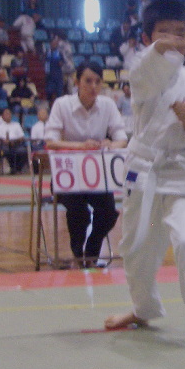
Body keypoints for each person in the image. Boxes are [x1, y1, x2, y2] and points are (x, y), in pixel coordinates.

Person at [103, 0, 185, 350]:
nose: (174, 38)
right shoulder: (143, 70)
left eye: (181, 33)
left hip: (179, 172)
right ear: (146, 38)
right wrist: (159, 50)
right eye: (164, 32)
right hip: (142, 170)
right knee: (136, 247)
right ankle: (143, 309)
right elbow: (143, 75)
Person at [45, 62, 128, 267]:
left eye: (97, 82)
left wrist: (109, 143)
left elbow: (122, 139)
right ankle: (77, 253)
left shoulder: (107, 105)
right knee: (79, 212)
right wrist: (82, 146)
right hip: (67, 178)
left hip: (97, 178)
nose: (93, 86)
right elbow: (51, 141)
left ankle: (90, 253)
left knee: (109, 213)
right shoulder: (62, 105)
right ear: (76, 83)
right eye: (88, 81)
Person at [0, 107, 28, 174]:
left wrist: (14, 141)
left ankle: (17, 169)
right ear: (2, 116)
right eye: (6, 114)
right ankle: (10, 168)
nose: (8, 115)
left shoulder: (16, 125)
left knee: (23, 151)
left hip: (15, 143)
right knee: (5, 151)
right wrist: (6, 141)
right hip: (3, 145)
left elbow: (21, 136)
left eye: (9, 114)